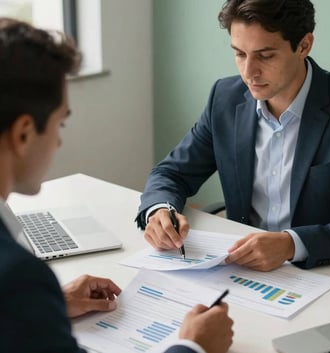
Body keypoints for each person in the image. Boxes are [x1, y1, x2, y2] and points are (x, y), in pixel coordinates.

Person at [0, 18, 233, 353]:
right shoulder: (18, 279)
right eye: (59, 123)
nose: (59, 143)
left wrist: (47, 307)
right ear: (23, 133)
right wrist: (193, 347)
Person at [136, 0, 330, 272]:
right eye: (239, 54)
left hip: (327, 272)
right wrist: (159, 210)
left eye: (265, 55)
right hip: (243, 269)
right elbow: (171, 173)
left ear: (304, 45)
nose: (249, 72)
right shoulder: (225, 99)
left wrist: (290, 244)